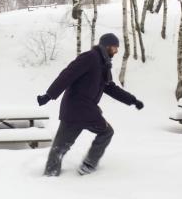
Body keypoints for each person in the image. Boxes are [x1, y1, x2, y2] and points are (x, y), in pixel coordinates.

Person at [37, 33, 144, 176]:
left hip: (78, 108)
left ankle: (50, 172)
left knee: (61, 145)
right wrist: (49, 95)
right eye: (115, 48)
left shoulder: (103, 63)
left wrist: (132, 100)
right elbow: (67, 74)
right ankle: (88, 165)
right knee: (106, 132)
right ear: (107, 46)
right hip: (81, 107)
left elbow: (110, 87)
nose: (117, 51)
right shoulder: (91, 57)